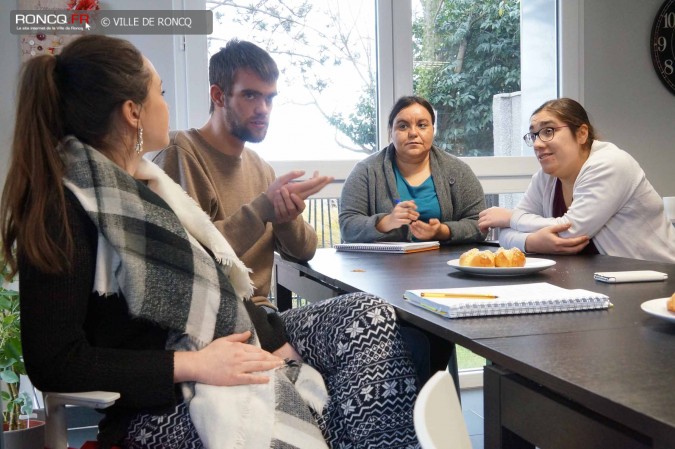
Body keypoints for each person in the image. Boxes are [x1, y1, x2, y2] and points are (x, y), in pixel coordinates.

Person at [1, 35, 420, 449]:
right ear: (133, 112)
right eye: (160, 93)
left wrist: (270, 343)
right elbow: (54, 363)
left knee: (368, 314)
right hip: (165, 402)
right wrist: (198, 364)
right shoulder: (68, 208)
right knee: (330, 409)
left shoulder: (146, 190)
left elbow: (215, 292)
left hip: (241, 334)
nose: (166, 106)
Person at [147, 39, 421, 447]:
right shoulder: (180, 154)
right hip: (218, 328)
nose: (263, 109)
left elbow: (305, 250)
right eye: (251, 96)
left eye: (270, 98)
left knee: (370, 311)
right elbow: (191, 263)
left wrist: (287, 215)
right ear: (218, 95)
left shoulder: (260, 166)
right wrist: (260, 209)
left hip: (267, 318)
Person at [477, 97, 675, 263]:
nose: (537, 143)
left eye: (548, 131)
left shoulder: (610, 164)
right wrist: (532, 242)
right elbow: (505, 234)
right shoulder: (545, 178)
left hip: (657, 280)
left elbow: (570, 231)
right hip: (596, 283)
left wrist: (510, 217)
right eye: (534, 135)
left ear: (581, 134)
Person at [339, 95, 486, 245]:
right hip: (382, 265)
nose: (413, 133)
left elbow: (480, 225)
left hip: (443, 264)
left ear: (433, 130)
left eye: (422, 125)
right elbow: (347, 225)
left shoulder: (458, 170)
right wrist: (386, 222)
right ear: (391, 132)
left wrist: (442, 231)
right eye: (403, 126)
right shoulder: (366, 171)